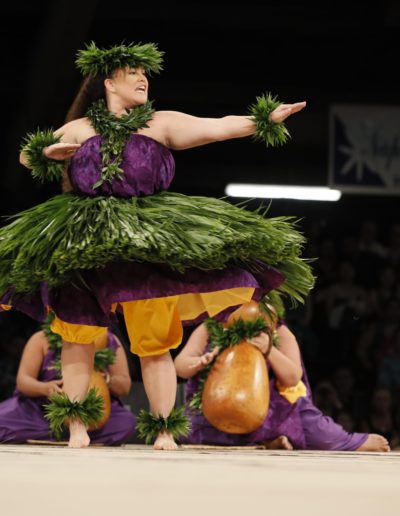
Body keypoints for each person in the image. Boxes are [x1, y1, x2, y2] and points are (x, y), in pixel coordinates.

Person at [0, 41, 314, 449]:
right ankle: (76, 426)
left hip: (147, 236)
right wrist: (47, 151)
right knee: (78, 332)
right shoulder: (80, 128)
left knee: (153, 339)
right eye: (132, 72)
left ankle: (165, 428)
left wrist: (264, 119)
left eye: (144, 73)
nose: (142, 78)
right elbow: (27, 156)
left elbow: (217, 126)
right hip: (86, 233)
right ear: (109, 82)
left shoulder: (161, 123)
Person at [175, 300, 390, 452]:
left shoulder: (279, 331)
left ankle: (350, 441)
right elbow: (181, 365)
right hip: (215, 409)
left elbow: (293, 377)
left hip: (273, 410)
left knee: (320, 433)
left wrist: (270, 350)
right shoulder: (210, 326)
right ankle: (267, 441)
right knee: (182, 429)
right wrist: (198, 362)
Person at [0, 319, 136, 445]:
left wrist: (106, 380)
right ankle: (59, 433)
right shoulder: (41, 338)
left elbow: (124, 386)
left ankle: (70, 433)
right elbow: (23, 381)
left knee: (126, 423)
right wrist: (45, 389)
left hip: (93, 415)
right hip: (41, 412)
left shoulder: (108, 340)